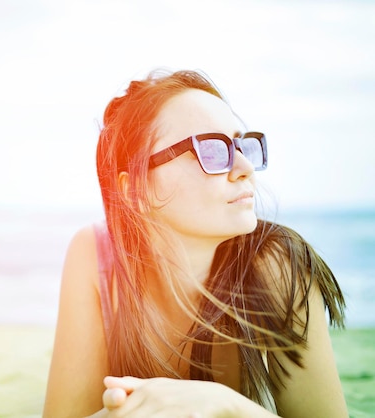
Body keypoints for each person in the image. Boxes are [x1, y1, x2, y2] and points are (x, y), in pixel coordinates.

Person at [43, 69, 348, 417]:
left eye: (240, 144)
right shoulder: (96, 256)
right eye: (211, 149)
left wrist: (227, 406)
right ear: (136, 190)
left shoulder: (278, 265)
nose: (246, 166)